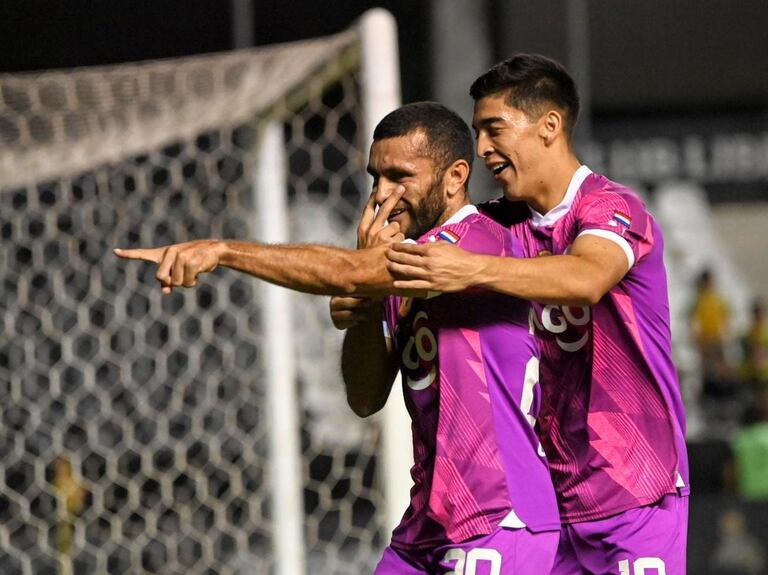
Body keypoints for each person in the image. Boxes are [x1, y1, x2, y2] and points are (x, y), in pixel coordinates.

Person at [116, 102, 561, 574]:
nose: (381, 195)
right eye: (376, 177)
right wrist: (368, 308)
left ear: (454, 178)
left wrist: (222, 250)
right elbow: (366, 397)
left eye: (399, 177)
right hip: (428, 527)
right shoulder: (402, 274)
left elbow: (349, 273)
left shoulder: (476, 243)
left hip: (501, 517)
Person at [384, 54, 690, 574]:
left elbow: (586, 278)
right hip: (546, 501)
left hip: (633, 495)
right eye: (477, 132)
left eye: (494, 129)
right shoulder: (492, 228)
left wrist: (472, 270)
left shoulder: (612, 208)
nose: (482, 150)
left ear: (549, 126)